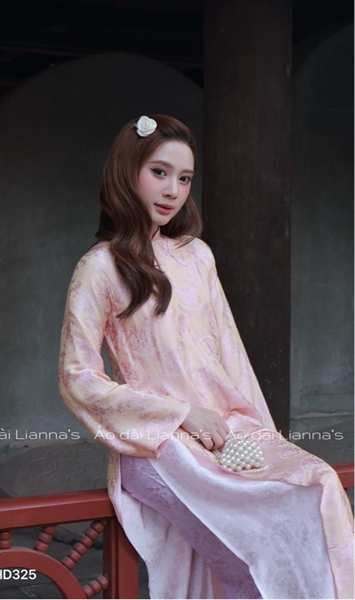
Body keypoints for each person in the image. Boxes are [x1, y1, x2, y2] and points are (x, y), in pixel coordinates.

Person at [58, 114, 353, 599]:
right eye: (159, 172)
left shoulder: (197, 256)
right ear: (127, 171)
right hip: (161, 444)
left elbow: (231, 358)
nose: (172, 190)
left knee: (316, 485)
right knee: (252, 556)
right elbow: (76, 376)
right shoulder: (100, 267)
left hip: (224, 432)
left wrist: (261, 435)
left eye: (184, 178)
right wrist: (181, 414)